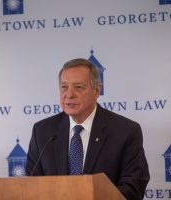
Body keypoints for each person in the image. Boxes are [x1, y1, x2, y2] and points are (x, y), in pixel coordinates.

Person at [26, 58, 150, 200]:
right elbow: (32, 185)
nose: (69, 94)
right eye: (64, 87)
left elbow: (133, 187)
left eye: (78, 87)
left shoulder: (125, 131)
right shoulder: (42, 131)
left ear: (96, 91)